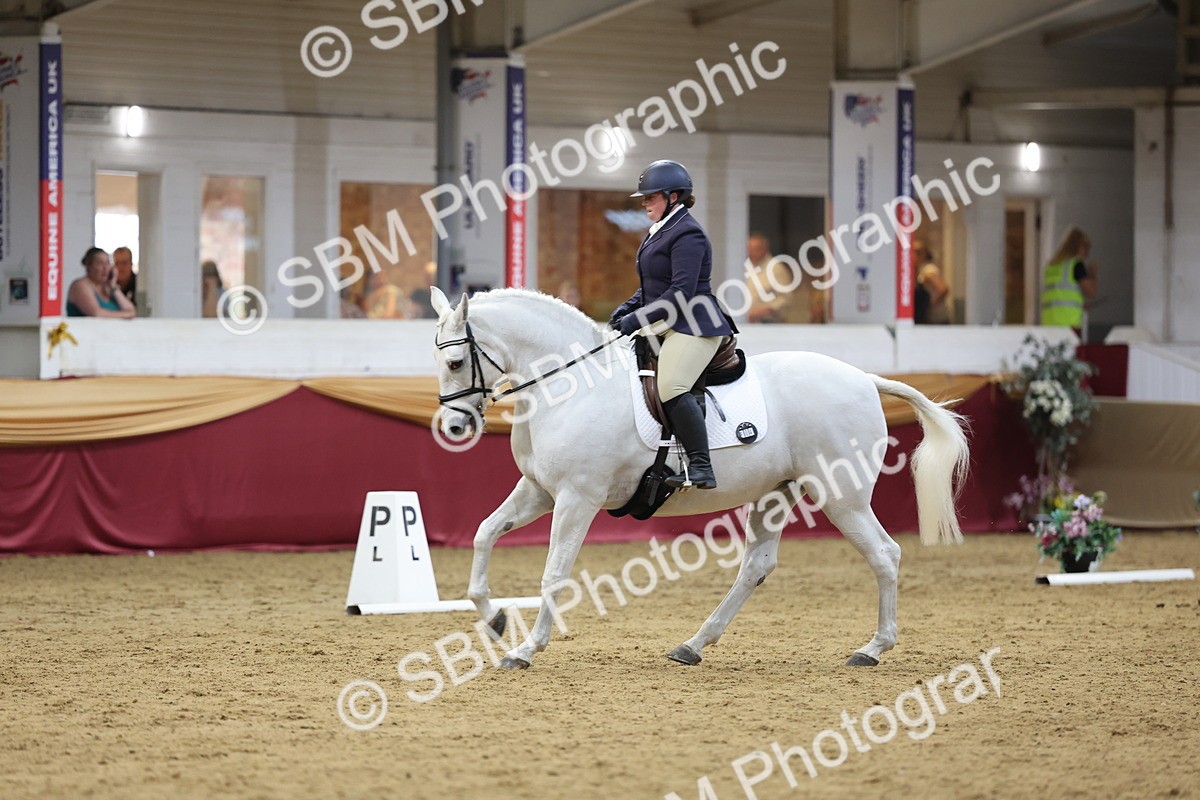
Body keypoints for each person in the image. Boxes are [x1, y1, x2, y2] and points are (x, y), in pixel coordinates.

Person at [609, 159, 737, 490]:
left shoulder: (688, 233)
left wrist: (636, 319)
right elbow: (654, 285)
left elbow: (681, 292)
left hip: (695, 323)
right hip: (669, 323)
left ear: (674, 196)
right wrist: (629, 306)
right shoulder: (662, 231)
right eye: (645, 198)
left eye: (651, 197)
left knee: (672, 386)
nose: (645, 203)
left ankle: (701, 466)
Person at [1041, 226, 1097, 330]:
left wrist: (1080, 304)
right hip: (1069, 325)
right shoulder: (1076, 265)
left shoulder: (1050, 267)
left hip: (1049, 325)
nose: (1087, 255)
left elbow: (1058, 295)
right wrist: (1093, 274)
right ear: (1080, 247)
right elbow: (1091, 292)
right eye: (1086, 250)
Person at [66, 247, 137, 319]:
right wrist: (126, 315)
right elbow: (97, 313)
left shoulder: (108, 288)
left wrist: (113, 286)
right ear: (89, 266)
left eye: (107, 263)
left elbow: (131, 310)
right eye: (100, 263)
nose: (106, 268)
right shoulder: (80, 285)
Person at [744, 234, 789, 324]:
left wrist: (766, 309)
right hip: (745, 321)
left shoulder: (776, 268)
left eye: (756, 249)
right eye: (749, 249)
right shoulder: (743, 266)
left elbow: (785, 299)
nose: (752, 252)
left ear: (765, 249)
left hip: (769, 322)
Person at [913, 240, 950, 324]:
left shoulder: (927, 271)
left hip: (937, 319)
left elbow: (943, 289)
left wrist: (928, 306)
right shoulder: (921, 270)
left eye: (916, 253)